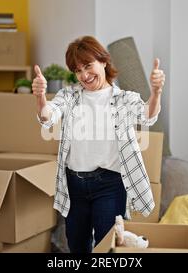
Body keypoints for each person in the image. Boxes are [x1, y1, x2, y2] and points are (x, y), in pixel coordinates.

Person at [33, 36, 165, 253]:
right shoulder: (69, 96)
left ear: (103, 61)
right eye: (77, 70)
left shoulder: (124, 99)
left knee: (107, 247)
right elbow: (48, 116)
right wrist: (40, 98)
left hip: (110, 186)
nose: (84, 75)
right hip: (74, 186)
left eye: (88, 65)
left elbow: (148, 115)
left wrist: (156, 92)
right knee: (77, 246)